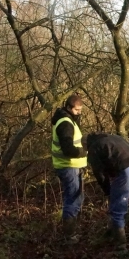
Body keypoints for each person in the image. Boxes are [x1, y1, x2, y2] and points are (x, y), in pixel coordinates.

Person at [51, 94, 88, 244]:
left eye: (80, 110)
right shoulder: (65, 123)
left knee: (77, 198)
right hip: (68, 166)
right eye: (77, 110)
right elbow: (68, 149)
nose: (79, 112)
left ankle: (72, 232)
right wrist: (83, 151)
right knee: (72, 200)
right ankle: (69, 236)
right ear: (68, 108)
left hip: (72, 166)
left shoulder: (67, 119)